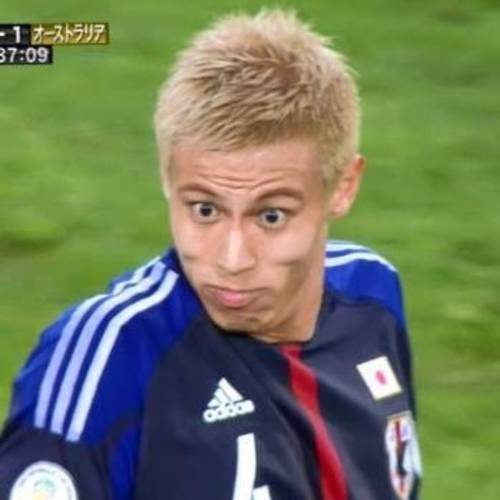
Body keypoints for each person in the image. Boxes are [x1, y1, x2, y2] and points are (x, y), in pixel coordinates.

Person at [0, 8, 422, 500]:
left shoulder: (372, 297)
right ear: (167, 179)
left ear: (343, 187)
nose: (232, 259)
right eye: (205, 209)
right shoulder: (111, 357)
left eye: (271, 216)